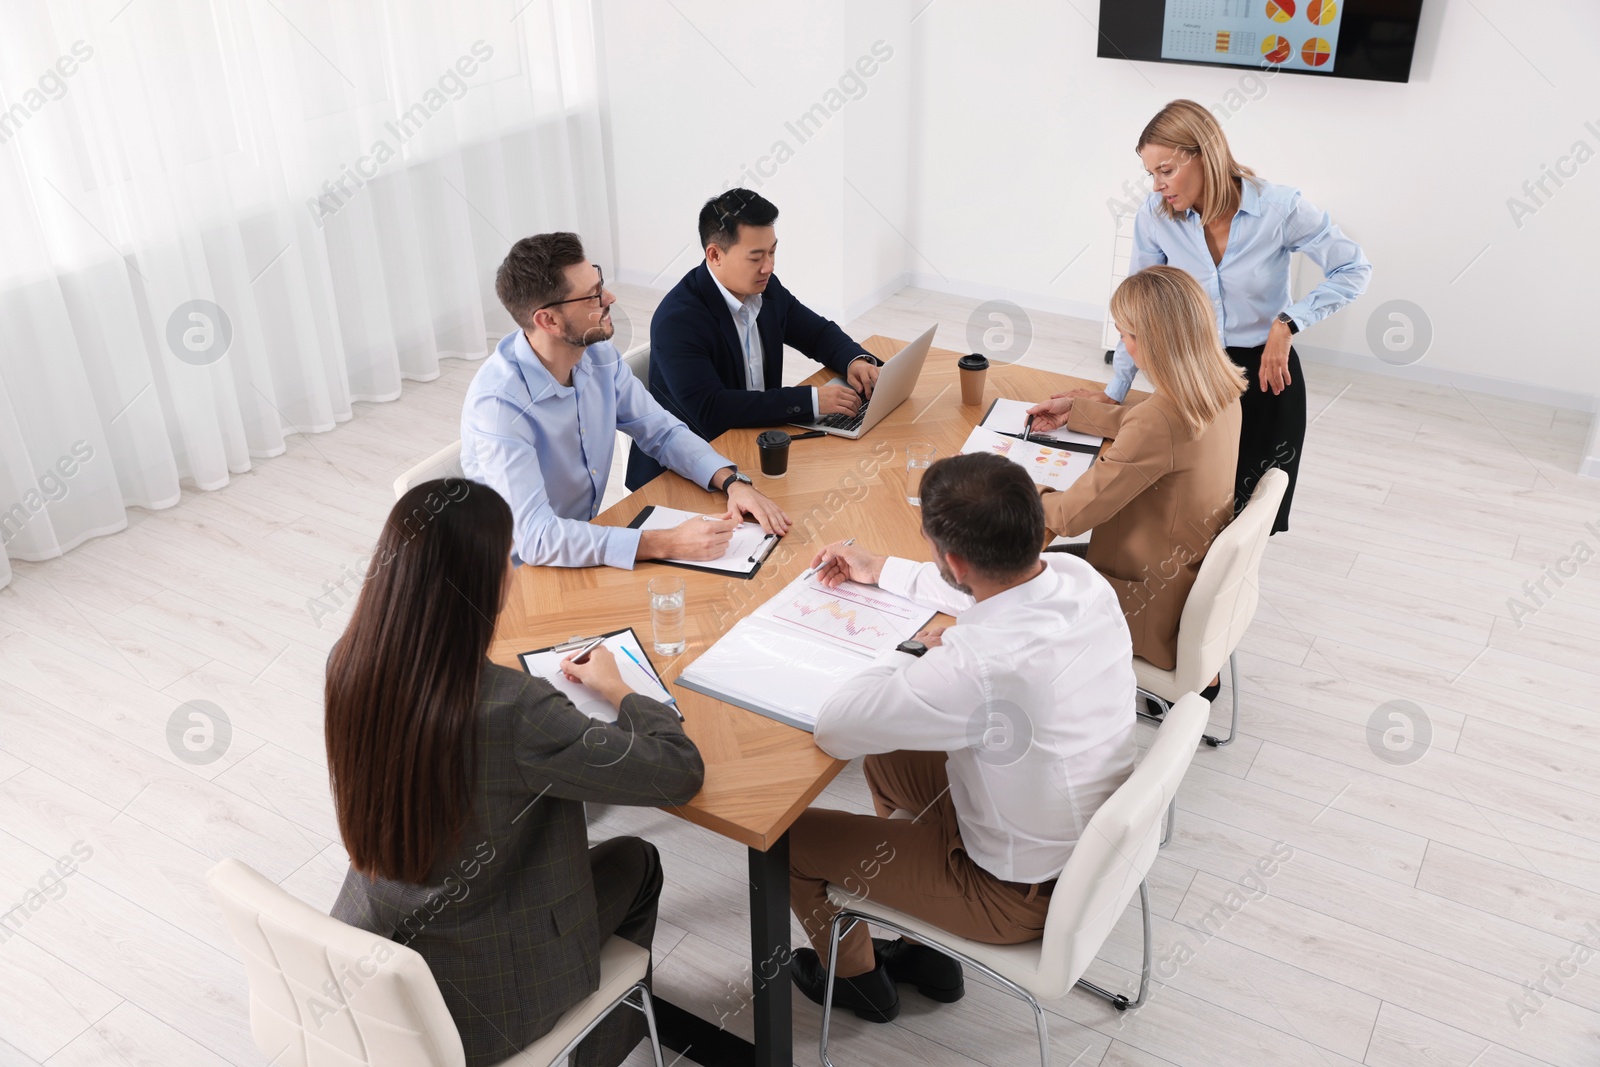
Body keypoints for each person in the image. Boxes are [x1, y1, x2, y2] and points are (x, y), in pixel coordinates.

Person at [326, 479, 704, 1067]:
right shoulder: (510, 708)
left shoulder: (348, 664)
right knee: (639, 863)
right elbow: (677, 771)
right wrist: (618, 688)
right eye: (508, 558)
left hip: (374, 946)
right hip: (486, 996)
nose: (515, 569)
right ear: (485, 584)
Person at [785, 453, 1137, 1021]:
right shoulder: (1080, 579)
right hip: (1070, 847)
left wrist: (905, 651)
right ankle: (927, 954)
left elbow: (837, 726)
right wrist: (883, 570)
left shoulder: (981, 668)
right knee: (891, 758)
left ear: (952, 559)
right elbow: (985, 588)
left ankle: (854, 981)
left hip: (1010, 896)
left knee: (790, 839)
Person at [1071, 99, 1370, 533]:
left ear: (1204, 155)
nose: (1156, 185)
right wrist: (1116, 390)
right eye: (1150, 173)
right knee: (1185, 510)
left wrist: (1287, 324)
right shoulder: (1156, 219)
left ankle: (1225, 591)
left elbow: (1354, 268)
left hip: (1268, 374)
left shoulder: (1280, 208)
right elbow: (1137, 313)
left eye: (1166, 170)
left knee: (1251, 514)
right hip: (1191, 372)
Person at [462, 231, 790, 569]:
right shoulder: (499, 407)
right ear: (548, 321)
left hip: (585, 545)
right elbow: (537, 538)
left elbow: (661, 432)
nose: (610, 297)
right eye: (592, 296)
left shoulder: (597, 355)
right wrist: (666, 542)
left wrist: (732, 482)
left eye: (600, 283)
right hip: (517, 579)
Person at [1026, 266, 1246, 683]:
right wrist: (1079, 412)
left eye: (1126, 334)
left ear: (1154, 341)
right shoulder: (1220, 390)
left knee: (1001, 573)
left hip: (1139, 602)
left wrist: (1013, 489)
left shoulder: (1159, 421)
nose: (1123, 345)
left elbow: (1069, 517)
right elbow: (1159, 430)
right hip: (1182, 583)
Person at [626, 188, 882, 489]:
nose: (769, 267)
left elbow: (817, 333)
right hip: (687, 471)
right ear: (715, 255)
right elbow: (712, 411)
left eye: (772, 251)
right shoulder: (678, 320)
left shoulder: (766, 288)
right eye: (756, 257)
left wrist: (854, 359)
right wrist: (811, 400)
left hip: (756, 443)